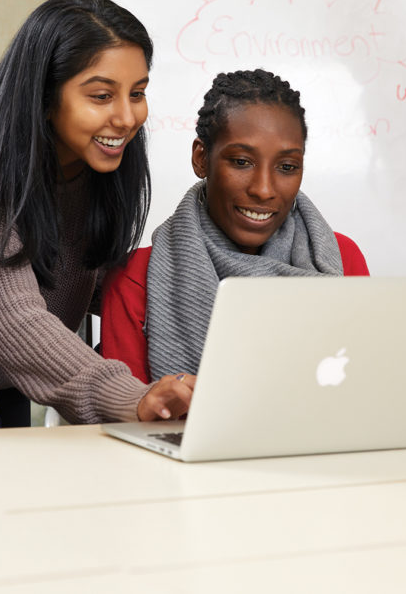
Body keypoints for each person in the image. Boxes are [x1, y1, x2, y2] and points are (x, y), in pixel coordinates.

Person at [0, 0, 193, 425]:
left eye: (137, 93)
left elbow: (93, 281)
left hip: (7, 391)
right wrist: (130, 397)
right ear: (44, 94)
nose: (127, 117)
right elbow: (13, 319)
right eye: (101, 96)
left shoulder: (97, 161)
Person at [100, 69, 369, 382]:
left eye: (287, 167)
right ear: (202, 158)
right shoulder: (135, 279)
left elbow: (363, 387)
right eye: (242, 162)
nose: (264, 189)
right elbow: (126, 415)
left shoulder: (340, 259)